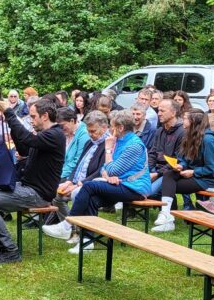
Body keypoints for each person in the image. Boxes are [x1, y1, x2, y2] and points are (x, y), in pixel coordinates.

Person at [0, 96, 66, 264]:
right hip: (28, 188)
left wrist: (9, 113)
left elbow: (27, 140)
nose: (31, 120)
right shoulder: (45, 134)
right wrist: (10, 123)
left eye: (33, 116)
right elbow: (24, 148)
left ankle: (10, 249)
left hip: (38, 195)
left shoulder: (55, 135)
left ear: (45, 116)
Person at [59, 110, 152, 253]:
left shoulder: (133, 145)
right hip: (121, 183)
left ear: (120, 128)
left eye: (112, 126)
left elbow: (113, 169)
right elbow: (105, 169)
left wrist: (108, 150)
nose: (110, 130)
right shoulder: (120, 141)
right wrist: (108, 176)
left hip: (136, 188)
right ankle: (87, 241)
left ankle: (68, 223)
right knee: (93, 199)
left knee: (89, 186)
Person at [42, 111, 109, 239]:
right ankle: (72, 229)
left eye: (93, 131)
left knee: (76, 194)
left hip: (92, 183)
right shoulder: (90, 142)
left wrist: (79, 183)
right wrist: (70, 180)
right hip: (79, 181)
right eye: (89, 131)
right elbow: (78, 164)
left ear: (104, 127)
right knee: (57, 196)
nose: (91, 134)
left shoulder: (108, 144)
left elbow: (101, 170)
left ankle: (72, 229)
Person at [152, 110, 214, 231]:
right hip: (193, 175)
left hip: (207, 179)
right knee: (169, 175)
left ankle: (168, 218)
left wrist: (193, 172)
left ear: (193, 121)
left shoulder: (209, 140)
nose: (182, 120)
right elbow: (183, 159)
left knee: (168, 185)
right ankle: (166, 215)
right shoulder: (188, 136)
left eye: (185, 118)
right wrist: (181, 166)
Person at [146, 99, 185, 196]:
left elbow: (177, 159)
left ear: (173, 113)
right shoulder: (159, 131)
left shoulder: (183, 132)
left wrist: (157, 174)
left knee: (148, 192)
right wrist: (147, 171)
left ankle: (168, 207)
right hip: (156, 169)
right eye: (158, 110)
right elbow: (152, 154)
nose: (159, 114)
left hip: (172, 172)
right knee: (133, 186)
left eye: (162, 111)